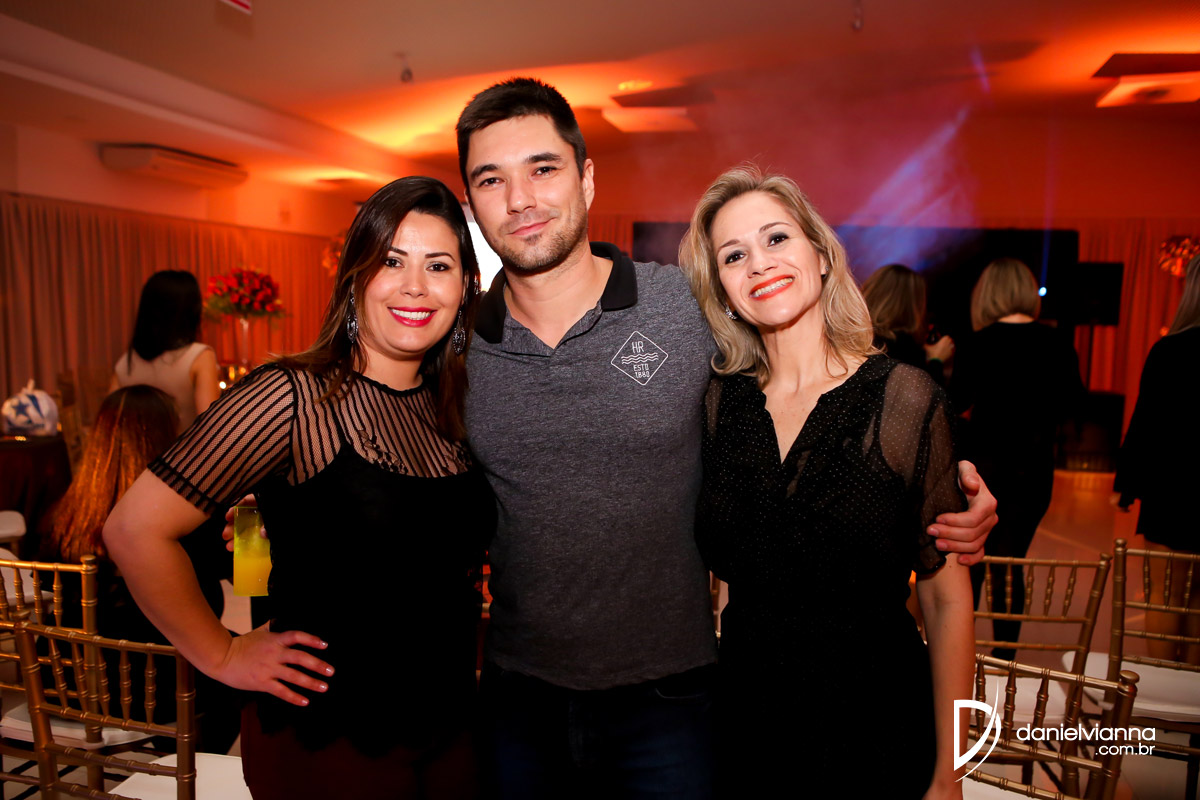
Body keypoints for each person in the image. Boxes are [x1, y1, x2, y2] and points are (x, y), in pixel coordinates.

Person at [455, 77, 995, 799]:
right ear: (471, 202)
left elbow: (927, 555)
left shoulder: (679, 308)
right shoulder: (456, 350)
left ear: (586, 178)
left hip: (681, 706)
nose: (520, 198)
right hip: (527, 701)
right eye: (492, 179)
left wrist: (961, 499)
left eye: (542, 168)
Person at [103, 177, 493, 800]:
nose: (416, 285)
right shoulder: (291, 396)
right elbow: (133, 531)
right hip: (330, 739)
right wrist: (222, 654)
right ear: (355, 277)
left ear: (466, 285)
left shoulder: (458, 402)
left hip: (450, 729)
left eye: (438, 265)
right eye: (392, 260)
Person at [679, 165, 974, 798]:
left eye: (776, 238)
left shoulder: (904, 400)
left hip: (873, 728)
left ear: (820, 255)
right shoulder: (717, 406)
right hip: (747, 731)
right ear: (723, 289)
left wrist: (951, 774)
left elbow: (947, 601)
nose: (760, 262)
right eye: (734, 255)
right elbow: (735, 577)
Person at [42, 385, 240, 751]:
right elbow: (246, 577)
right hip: (154, 684)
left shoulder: (62, 515)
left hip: (67, 682)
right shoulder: (180, 522)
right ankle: (185, 763)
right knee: (251, 669)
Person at [950, 258, 1084, 655]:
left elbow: (955, 403)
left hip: (983, 469)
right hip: (1035, 470)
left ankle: (962, 656)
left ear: (986, 294)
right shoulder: (1057, 343)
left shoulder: (978, 342)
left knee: (973, 560)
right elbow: (1074, 405)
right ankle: (1006, 660)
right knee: (1012, 562)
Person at [1114, 252, 1200, 663]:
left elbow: (1146, 424)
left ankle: (1166, 695)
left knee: (1166, 597)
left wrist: (1128, 487)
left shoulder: (1171, 351)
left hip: (1174, 490)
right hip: (1176, 488)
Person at [111, 270, 220, 429]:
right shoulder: (200, 357)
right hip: (184, 446)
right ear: (191, 311)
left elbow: (109, 422)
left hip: (136, 445)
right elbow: (211, 427)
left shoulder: (126, 362)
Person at [862, 263, 953, 384]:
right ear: (911, 306)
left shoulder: (856, 337)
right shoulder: (901, 344)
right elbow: (921, 392)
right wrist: (937, 360)